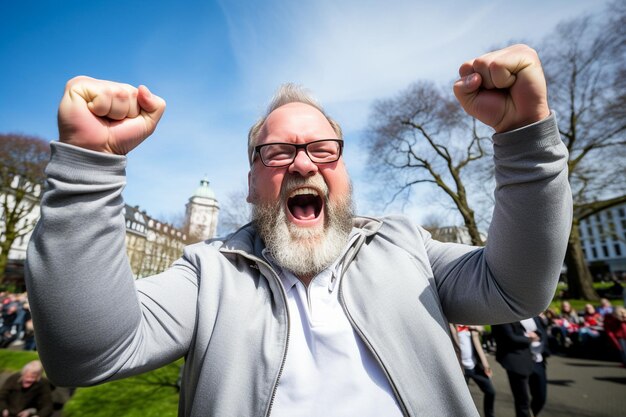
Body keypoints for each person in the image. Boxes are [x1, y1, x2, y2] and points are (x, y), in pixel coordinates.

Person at [25, 44, 572, 416]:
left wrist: (525, 139)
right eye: (279, 151)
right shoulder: (206, 271)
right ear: (250, 184)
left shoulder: (406, 244)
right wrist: (88, 165)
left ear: (344, 173)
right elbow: (88, 354)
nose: (304, 165)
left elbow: (514, 288)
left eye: (322, 149)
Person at [492, 318, 549, 417]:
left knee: (540, 397)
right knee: (522, 401)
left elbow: (542, 331)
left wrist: (538, 336)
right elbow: (509, 338)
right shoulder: (504, 315)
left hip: (538, 361)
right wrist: (530, 339)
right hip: (517, 361)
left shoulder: (533, 313)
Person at [449, 324, 496, 417]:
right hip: (460, 370)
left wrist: (486, 365)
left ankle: (489, 415)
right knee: (460, 398)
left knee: (491, 392)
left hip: (475, 367)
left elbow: (484, 330)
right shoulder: (451, 326)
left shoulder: (470, 324)